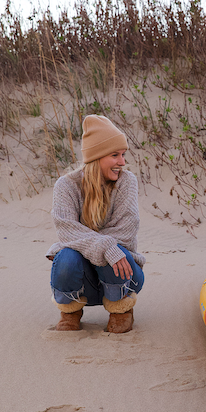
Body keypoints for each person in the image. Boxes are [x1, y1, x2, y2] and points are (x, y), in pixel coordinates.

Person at [46, 115, 145, 333]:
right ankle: (70, 312)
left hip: (123, 277)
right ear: (97, 157)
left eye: (123, 155)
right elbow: (66, 229)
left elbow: (126, 233)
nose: (122, 162)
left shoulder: (126, 182)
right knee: (66, 258)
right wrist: (103, 246)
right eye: (114, 155)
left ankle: (121, 310)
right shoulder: (66, 186)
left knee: (115, 251)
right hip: (85, 282)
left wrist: (101, 246)